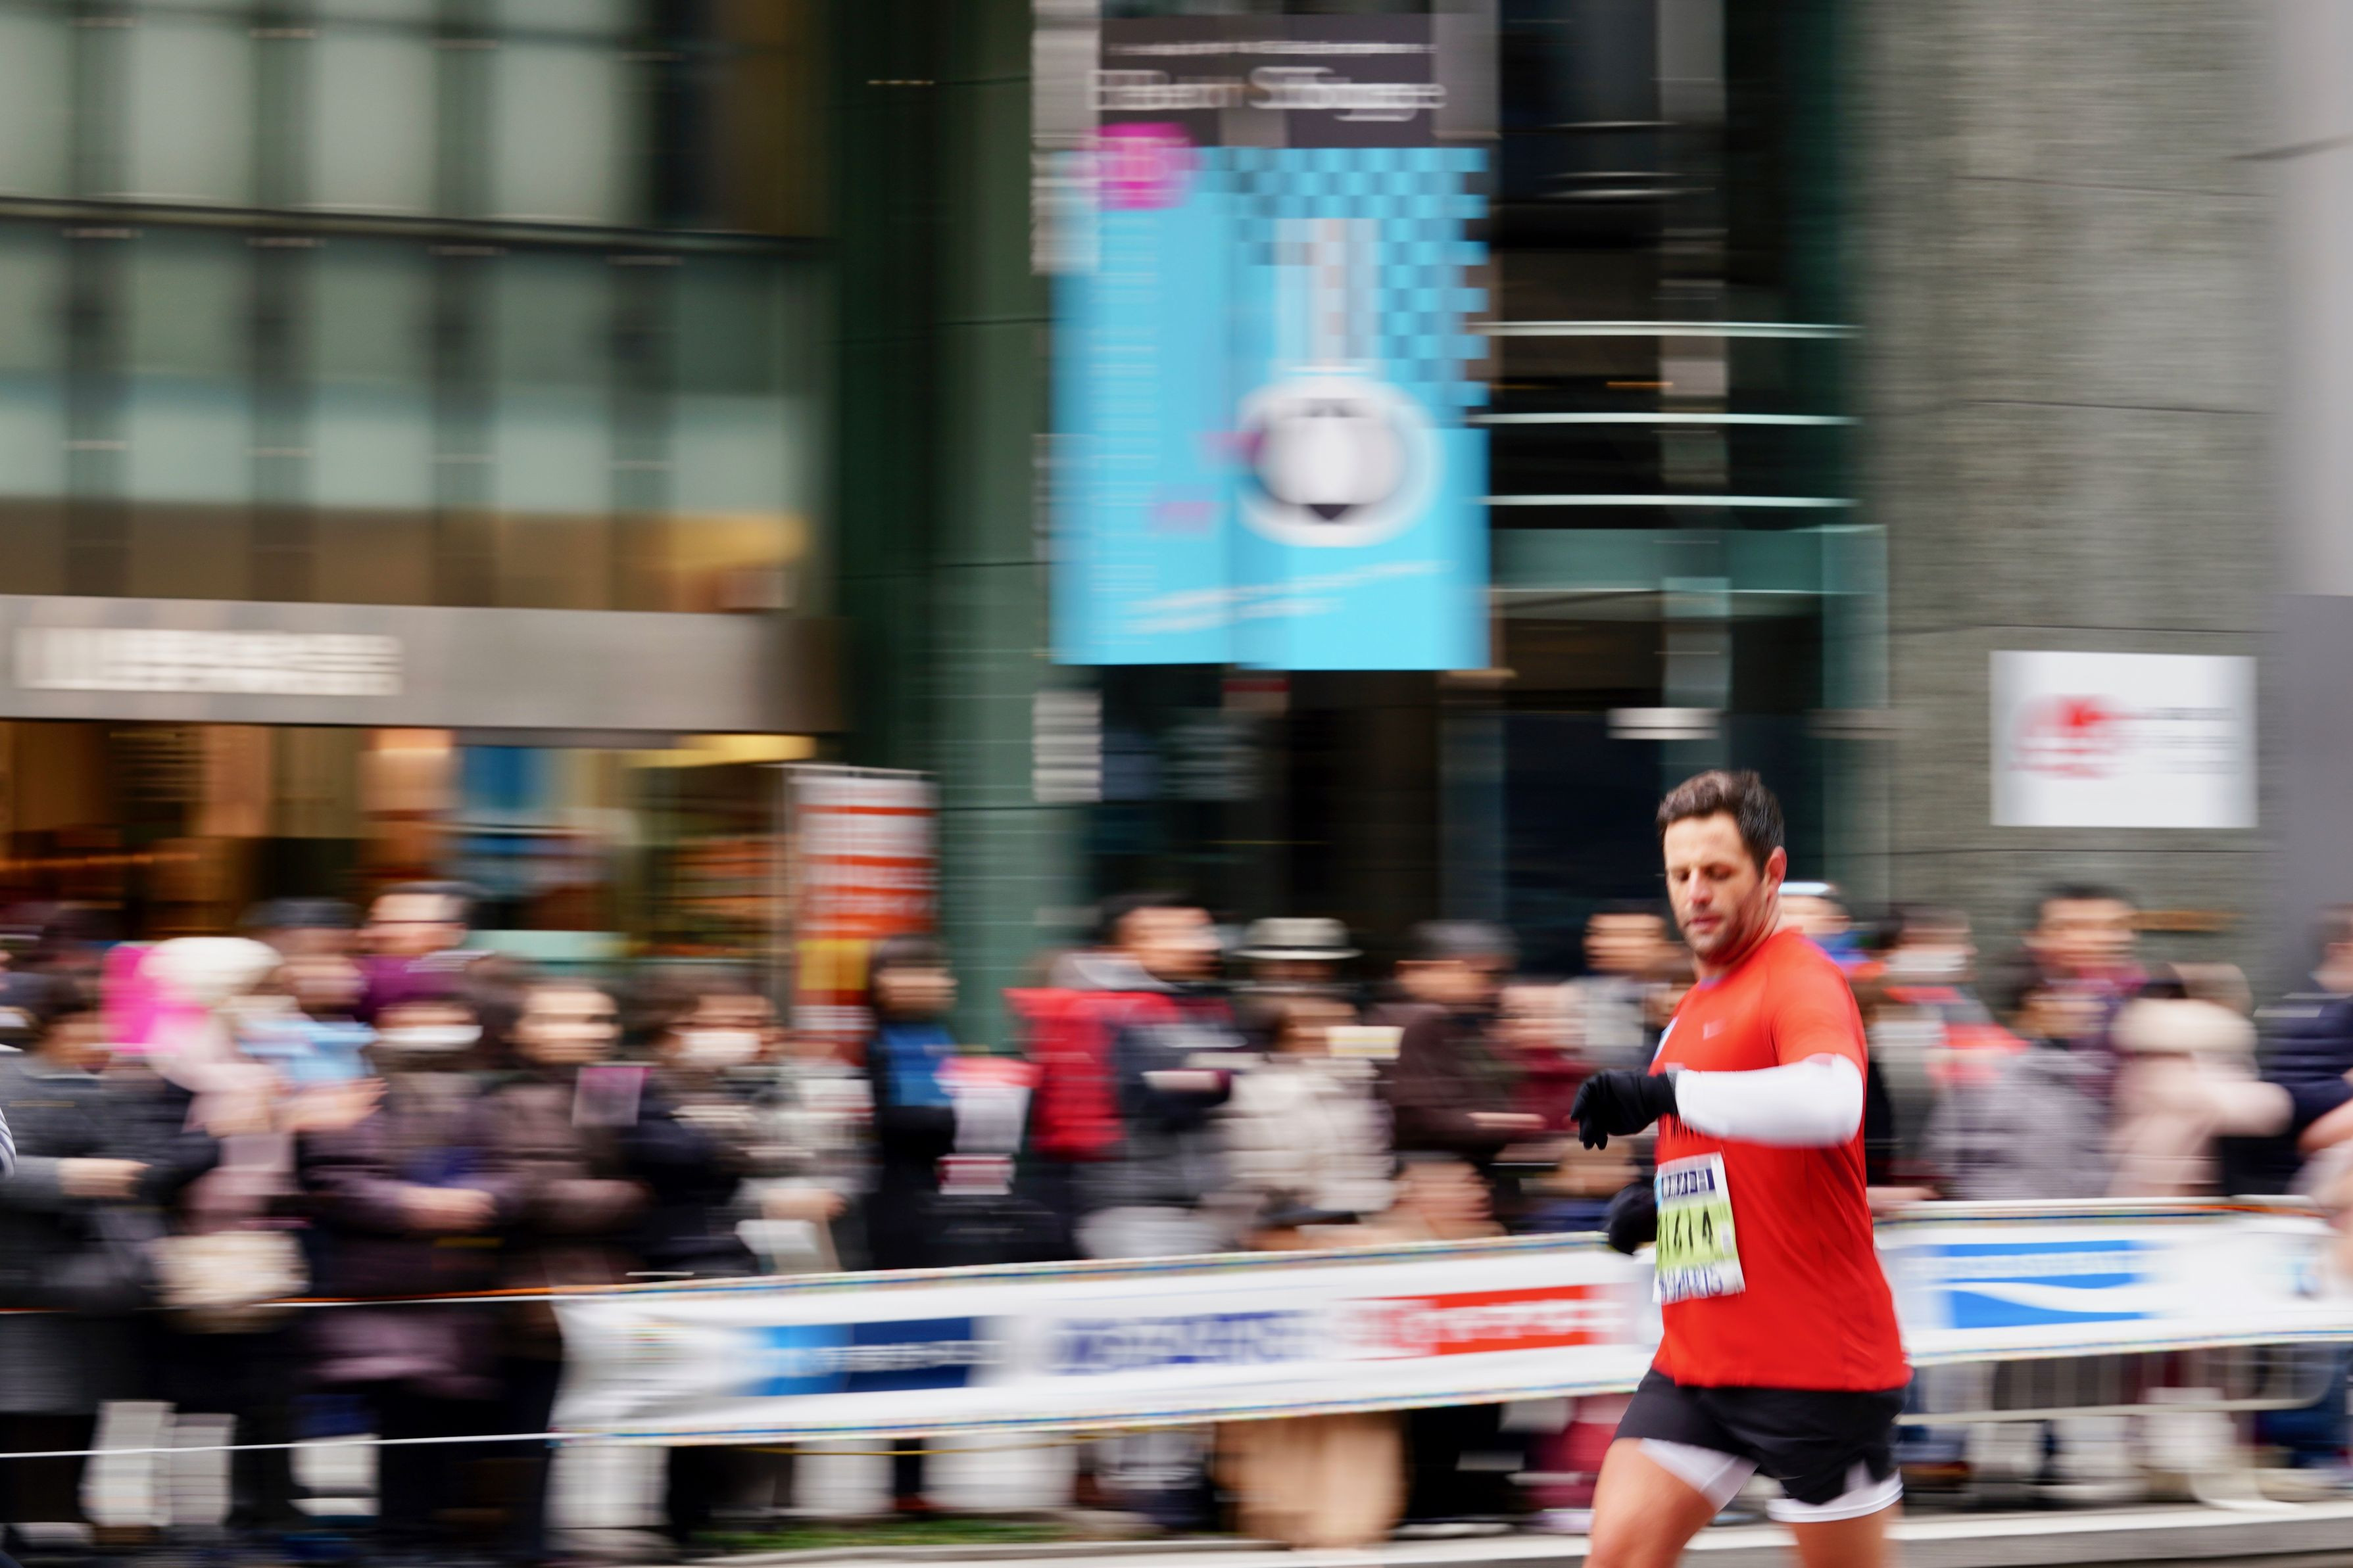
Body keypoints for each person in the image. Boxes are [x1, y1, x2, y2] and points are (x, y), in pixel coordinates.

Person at [1570, 771, 1908, 1568]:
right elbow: (1728, 1144)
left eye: (1717, 871)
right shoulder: (1691, 1006)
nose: (1695, 892)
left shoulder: (1800, 978)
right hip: (1698, 1363)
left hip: (1816, 1369)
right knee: (1615, 1558)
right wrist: (1660, 1206)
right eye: (1679, 874)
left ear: (1771, 873)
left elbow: (1832, 1103)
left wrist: (1666, 1092)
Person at [2106, 965, 2289, 1197]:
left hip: (2162, 1188)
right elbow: (2258, 1111)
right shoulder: (2176, 1058)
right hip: (2170, 1194)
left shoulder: (2151, 1058)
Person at [1379, 921, 1540, 1181]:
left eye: (1497, 976)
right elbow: (1414, 1116)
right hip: (1428, 1174)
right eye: (1480, 973)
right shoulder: (1405, 1023)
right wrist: (1507, 1124)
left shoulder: (1462, 1024)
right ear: (1419, 970)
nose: (1491, 987)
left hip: (1464, 1170)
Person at [1576, 905, 1670, 1071]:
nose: (1596, 943)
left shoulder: (1678, 994)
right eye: (1596, 934)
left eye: (1625, 935)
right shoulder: (1582, 997)